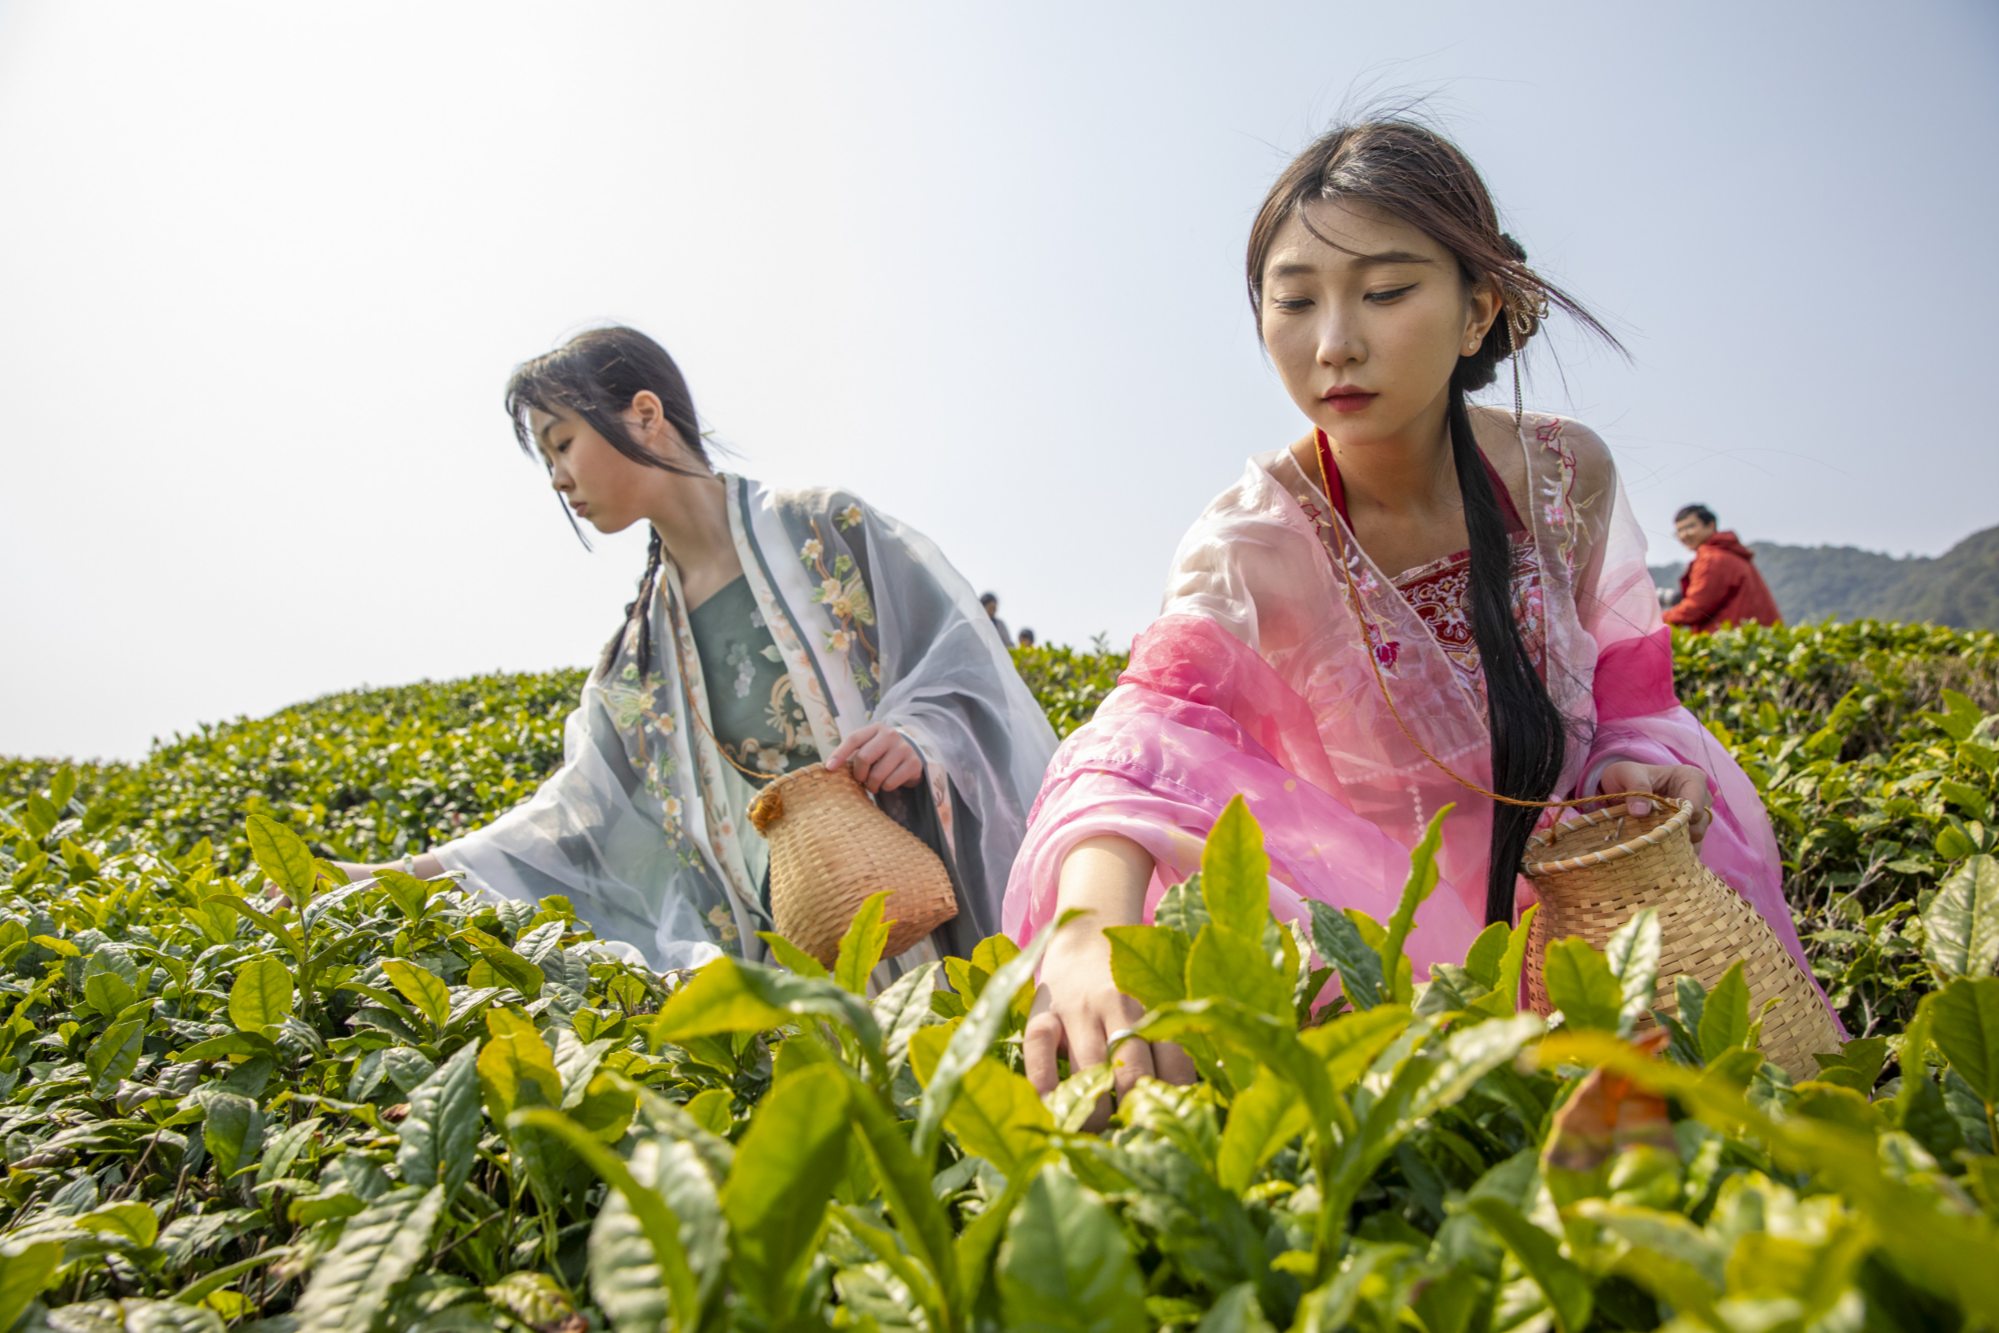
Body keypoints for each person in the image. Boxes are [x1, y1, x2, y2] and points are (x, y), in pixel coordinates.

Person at [1006, 120, 1828, 1101]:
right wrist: (1090, 930)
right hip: (1388, 961)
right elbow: (1141, 743)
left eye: (1386, 292)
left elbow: (1624, 695)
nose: (1334, 343)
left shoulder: (1567, 475)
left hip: (1588, 923)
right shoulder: (1253, 539)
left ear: (1477, 309)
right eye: (1293, 300)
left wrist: (1635, 768)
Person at [334, 327, 1057, 973]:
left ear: (644, 415)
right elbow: (577, 812)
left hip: (942, 910)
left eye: (561, 443)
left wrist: (914, 733)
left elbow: (965, 664)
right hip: (814, 954)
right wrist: (396, 874)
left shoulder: (820, 527)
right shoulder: (639, 658)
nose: (558, 478)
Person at [1663, 504, 1783, 632]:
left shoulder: (1711, 558)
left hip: (1733, 643)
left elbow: (1696, 608)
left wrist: (1654, 618)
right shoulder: (1731, 554)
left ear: (1711, 525)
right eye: (1679, 531)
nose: (1684, 535)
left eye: (1690, 527)